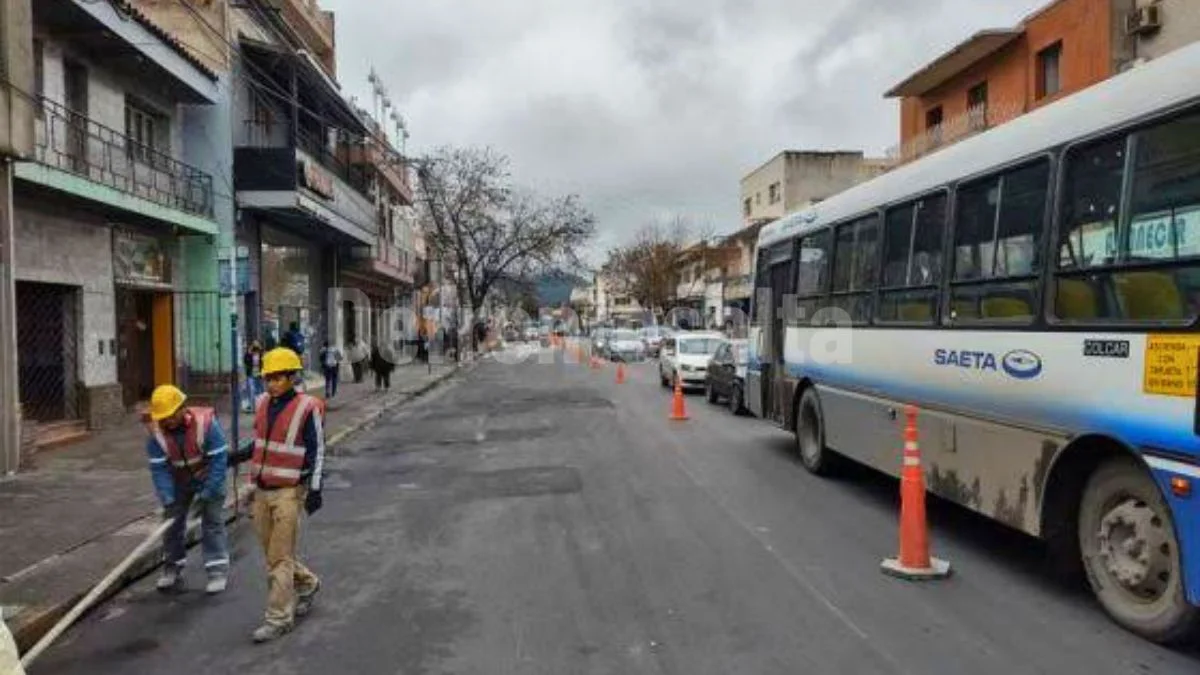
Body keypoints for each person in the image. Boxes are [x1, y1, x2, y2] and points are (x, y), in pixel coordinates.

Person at [248, 348, 325, 643]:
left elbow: (317, 451)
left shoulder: (308, 408)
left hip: (289, 492)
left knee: (278, 559)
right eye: (268, 378)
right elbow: (261, 442)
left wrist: (315, 489)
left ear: (292, 377)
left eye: (278, 377)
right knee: (272, 554)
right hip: (262, 491)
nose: (271, 383)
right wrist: (238, 455)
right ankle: (307, 583)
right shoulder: (262, 404)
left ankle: (278, 618)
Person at [145, 384, 230, 595]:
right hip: (178, 480)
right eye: (162, 417)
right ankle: (172, 567)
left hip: (208, 475)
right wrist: (169, 500)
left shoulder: (206, 424)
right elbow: (159, 470)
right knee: (172, 525)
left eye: (170, 415)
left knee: (212, 522)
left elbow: (220, 459)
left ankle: (217, 571)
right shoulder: (156, 434)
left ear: (182, 408)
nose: (167, 421)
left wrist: (208, 493)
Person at [243, 341, 264, 412]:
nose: (256, 351)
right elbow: (245, 361)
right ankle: (253, 408)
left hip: (259, 375)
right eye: (255, 349)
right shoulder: (249, 355)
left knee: (260, 391)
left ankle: (260, 406)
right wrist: (250, 350)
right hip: (251, 375)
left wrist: (260, 348)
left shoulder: (261, 354)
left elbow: (263, 362)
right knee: (252, 391)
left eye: (256, 349)